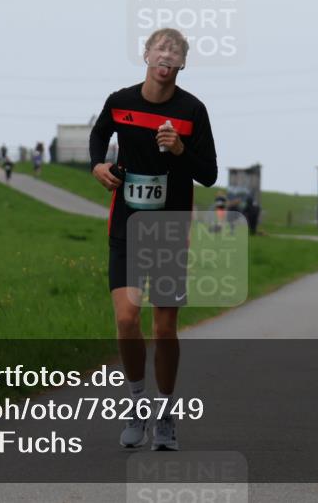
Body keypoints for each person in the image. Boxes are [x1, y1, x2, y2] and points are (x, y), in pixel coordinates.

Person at [89, 28, 217, 451]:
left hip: (169, 229)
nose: (167, 55)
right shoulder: (120, 101)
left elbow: (209, 173)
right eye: (161, 48)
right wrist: (97, 166)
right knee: (127, 319)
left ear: (182, 64)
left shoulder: (192, 110)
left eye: (176, 52)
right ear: (146, 55)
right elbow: (98, 135)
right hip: (126, 224)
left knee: (164, 329)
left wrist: (181, 150)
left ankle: (165, 413)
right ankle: (136, 403)